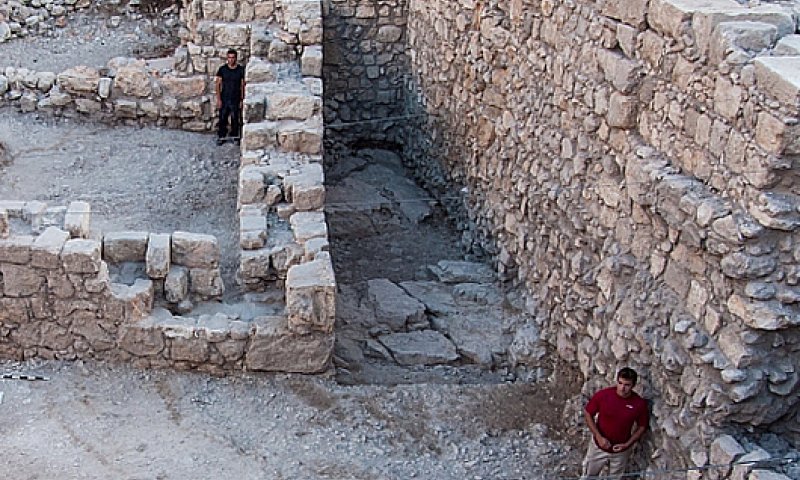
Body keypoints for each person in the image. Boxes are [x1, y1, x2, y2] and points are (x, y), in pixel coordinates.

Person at [581, 367, 649, 479]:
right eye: (620, 383)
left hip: (621, 452)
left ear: (633, 385)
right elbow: (588, 413)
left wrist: (627, 444)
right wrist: (598, 437)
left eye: (627, 385)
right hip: (597, 448)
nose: (622, 388)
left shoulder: (639, 404)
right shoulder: (603, 396)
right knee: (588, 476)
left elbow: (642, 426)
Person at [215, 48, 246, 145]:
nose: (231, 60)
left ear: (236, 58)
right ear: (227, 58)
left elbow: (242, 85)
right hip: (224, 98)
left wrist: (242, 99)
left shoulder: (240, 70)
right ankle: (221, 136)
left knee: (235, 118)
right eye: (229, 57)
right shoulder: (222, 70)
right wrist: (219, 99)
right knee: (222, 118)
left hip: (235, 98)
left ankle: (235, 136)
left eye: (233, 58)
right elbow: (218, 85)